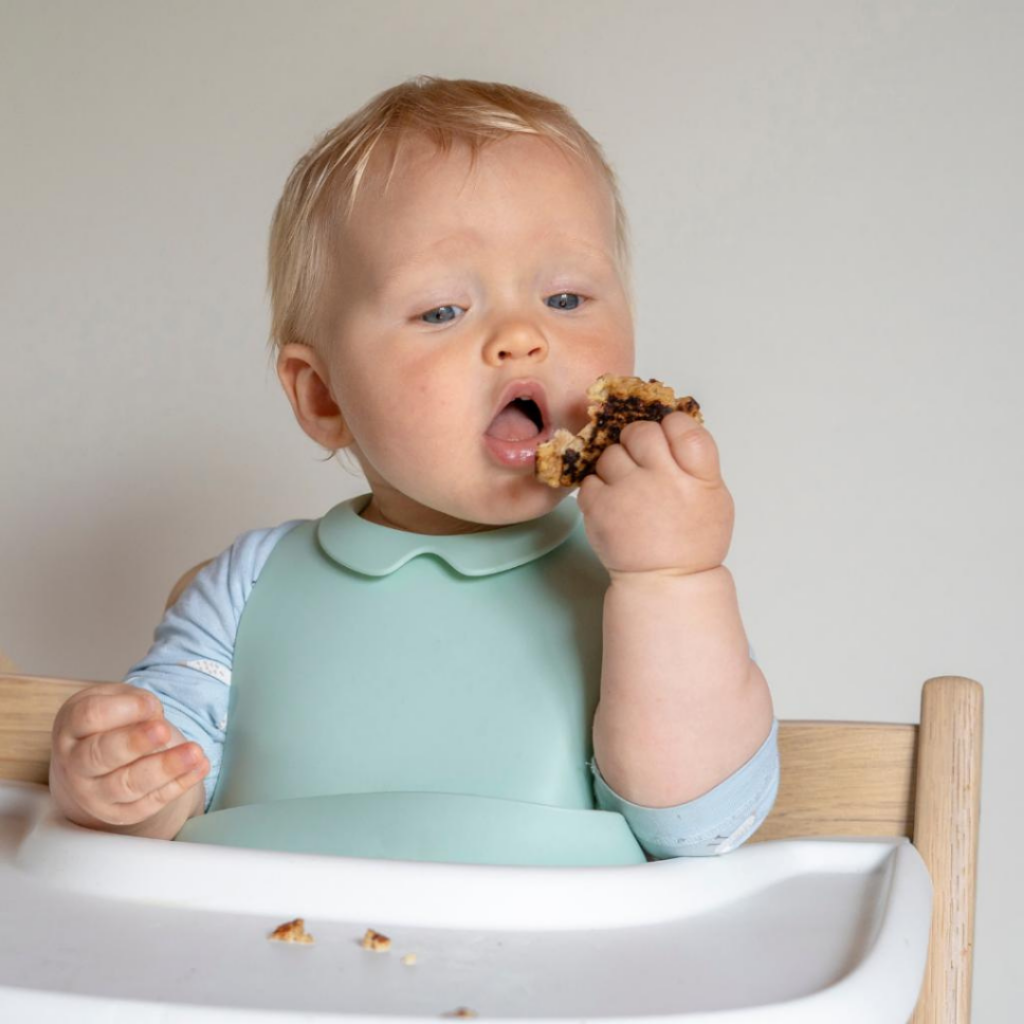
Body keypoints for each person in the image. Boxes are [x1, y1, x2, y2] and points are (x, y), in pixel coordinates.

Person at [48, 76, 779, 865]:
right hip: (273, 958)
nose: (522, 336)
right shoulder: (248, 591)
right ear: (324, 395)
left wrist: (672, 581)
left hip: (555, 975)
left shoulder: (632, 586)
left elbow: (695, 827)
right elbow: (169, 788)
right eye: (441, 311)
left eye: (566, 297)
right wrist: (119, 780)